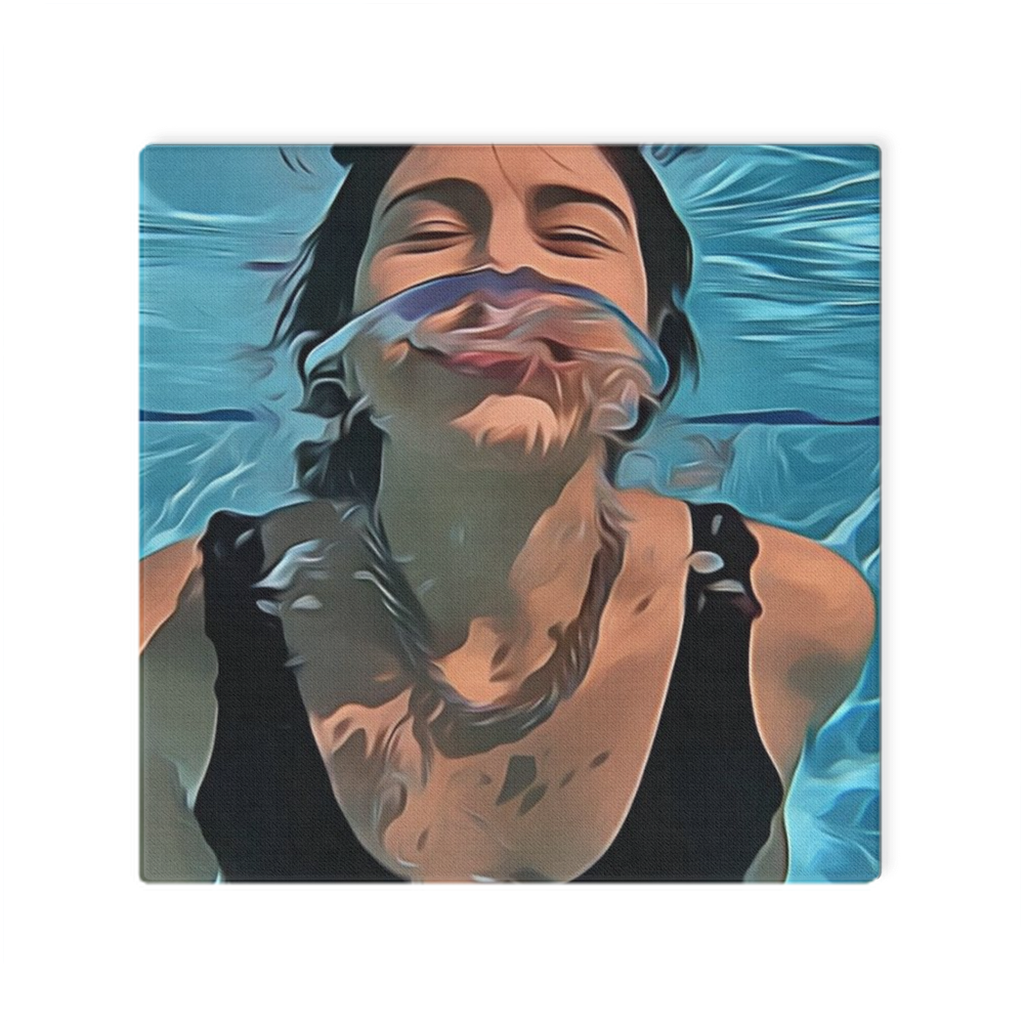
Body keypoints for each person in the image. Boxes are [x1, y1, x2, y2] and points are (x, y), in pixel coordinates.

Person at [140, 145, 876, 883]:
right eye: (429, 233)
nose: (504, 272)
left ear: (651, 339)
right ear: (343, 344)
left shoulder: (797, 616)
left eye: (575, 238)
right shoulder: (155, 640)